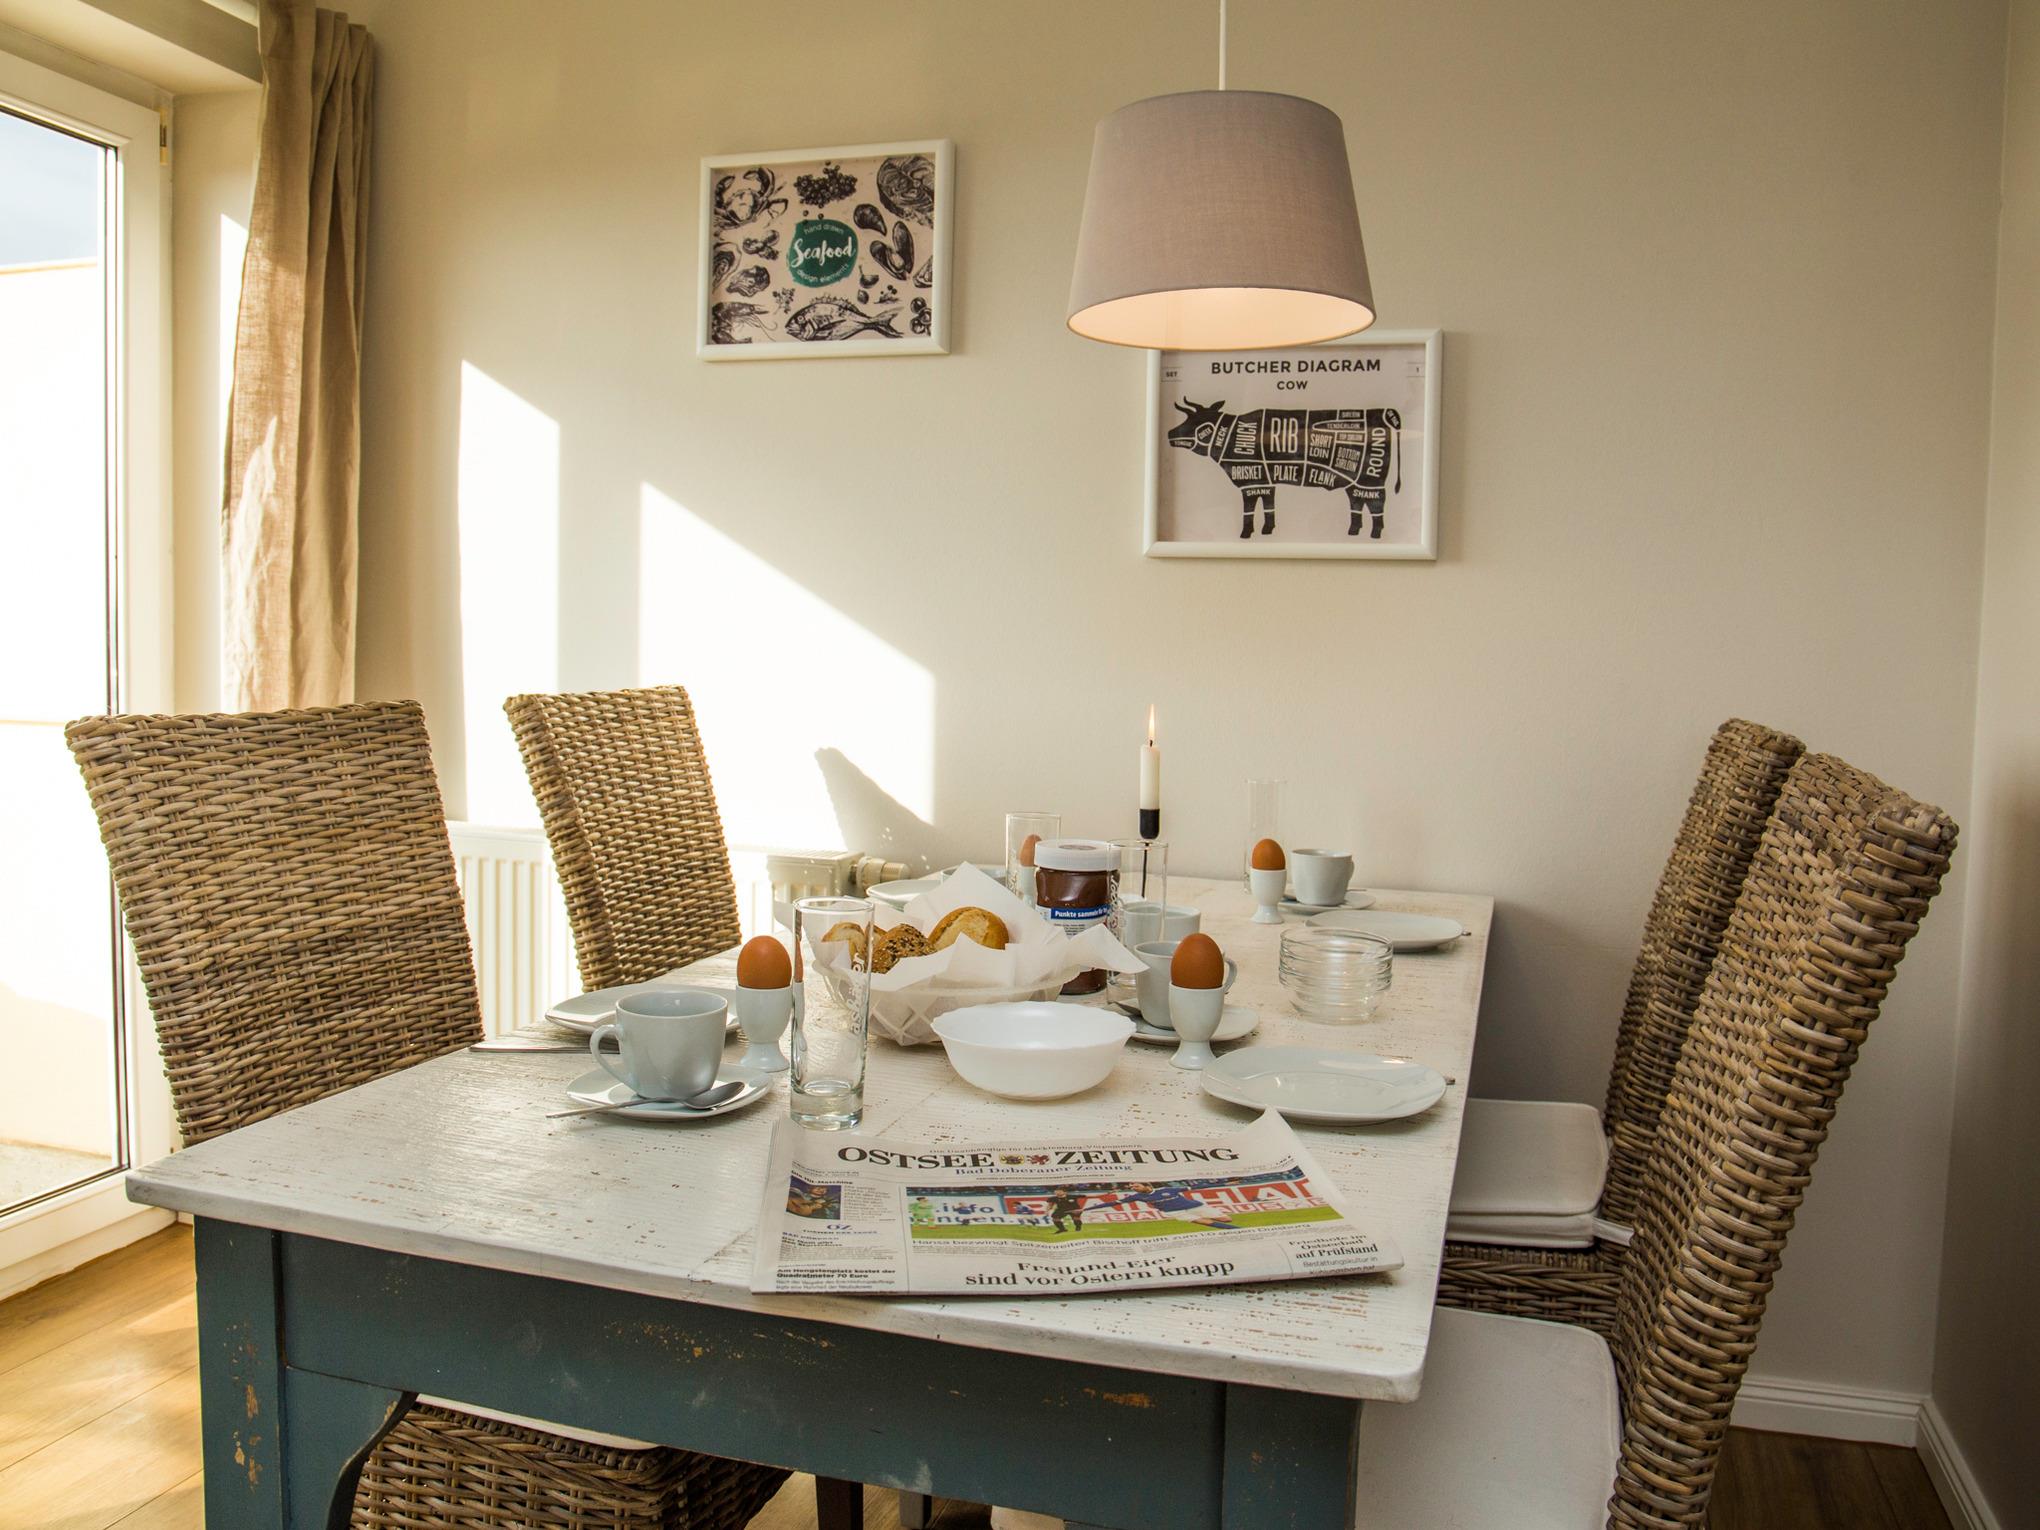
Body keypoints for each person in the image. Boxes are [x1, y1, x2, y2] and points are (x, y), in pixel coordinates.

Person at [1097, 1181, 1242, 1230]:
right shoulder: (1136, 1197)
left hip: (1194, 1206)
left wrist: (1224, 1183)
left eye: (1136, 1185)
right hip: (1175, 1212)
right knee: (1206, 1222)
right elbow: (1112, 1203)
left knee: (1226, 1219)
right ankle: (1239, 1231)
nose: (1133, 1188)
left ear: (1147, 1185)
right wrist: (1087, 1209)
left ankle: (1231, 1227)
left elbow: (1198, 1186)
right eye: (1132, 1187)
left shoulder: (1167, 1189)